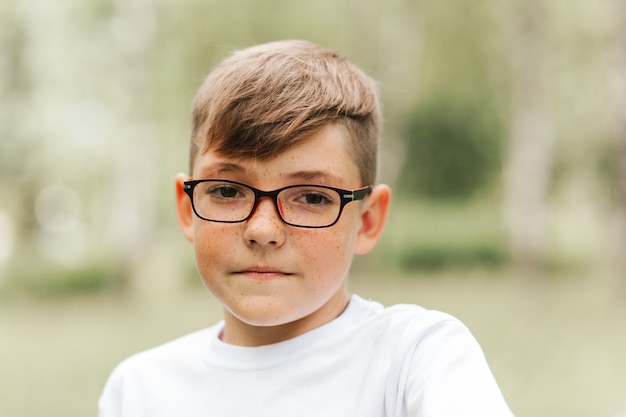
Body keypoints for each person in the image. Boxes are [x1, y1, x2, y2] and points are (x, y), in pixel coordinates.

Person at [98, 39, 514, 417]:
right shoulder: (137, 391)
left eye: (313, 197)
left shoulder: (416, 359)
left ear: (368, 220)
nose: (262, 229)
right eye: (227, 190)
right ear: (187, 208)